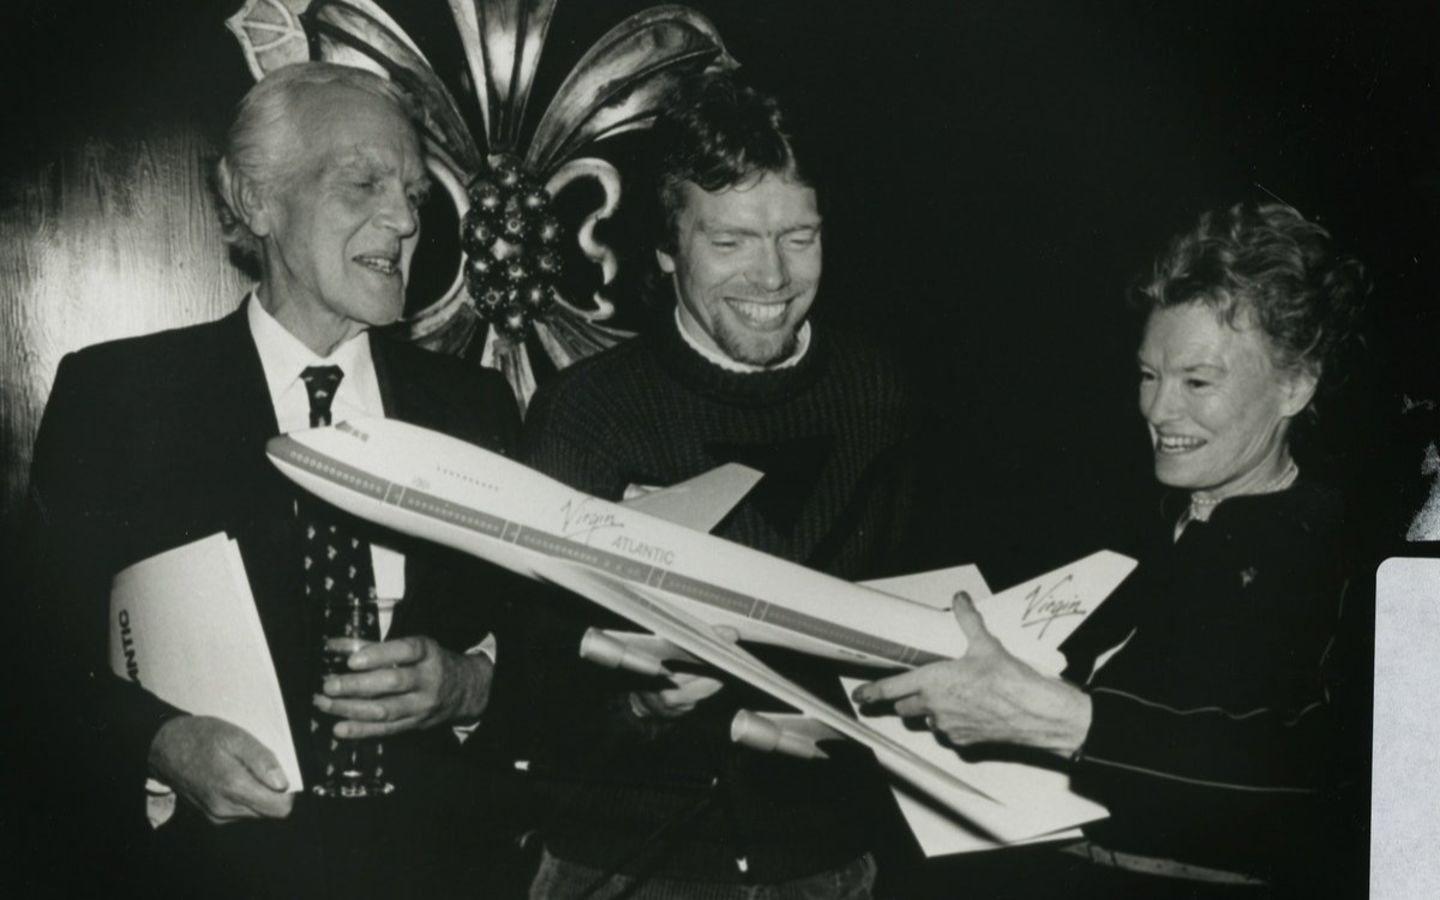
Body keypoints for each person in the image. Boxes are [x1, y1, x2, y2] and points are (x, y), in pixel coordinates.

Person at [21, 62, 526, 898]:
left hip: (439, 870)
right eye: (363, 183)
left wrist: (467, 686)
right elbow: (33, 656)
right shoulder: (121, 397)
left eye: (413, 194)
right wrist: (159, 744)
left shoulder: (472, 407)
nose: (402, 219)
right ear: (255, 199)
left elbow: (548, 649)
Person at [855, 201, 1368, 897]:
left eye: (1197, 381)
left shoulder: (1354, 558)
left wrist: (1063, 720)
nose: (1158, 411)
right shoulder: (1134, 530)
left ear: (1295, 385)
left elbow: (1324, 779)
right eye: (1149, 375)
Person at [517, 71, 915, 899]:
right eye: (729, 243)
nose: (771, 278)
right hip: (623, 863)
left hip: (826, 861)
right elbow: (527, 692)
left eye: (798, 237)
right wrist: (639, 712)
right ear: (666, 251)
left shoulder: (879, 389)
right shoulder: (584, 415)